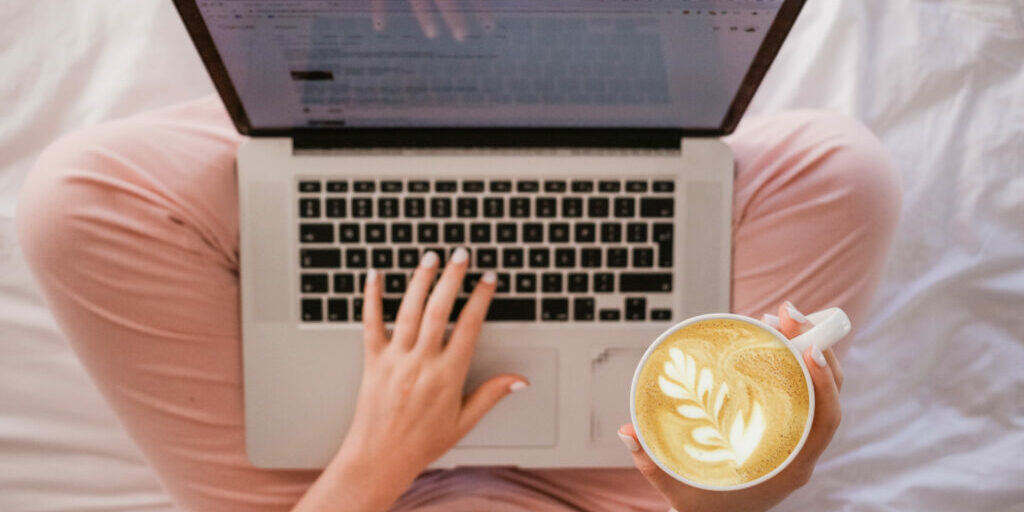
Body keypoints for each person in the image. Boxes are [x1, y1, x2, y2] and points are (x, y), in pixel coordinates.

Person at [15, 95, 901, 511]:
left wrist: (376, 454)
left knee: (78, 200)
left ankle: (371, 96)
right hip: (617, 489)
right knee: (839, 170)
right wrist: (728, 499)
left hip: (330, 488)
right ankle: (536, 97)